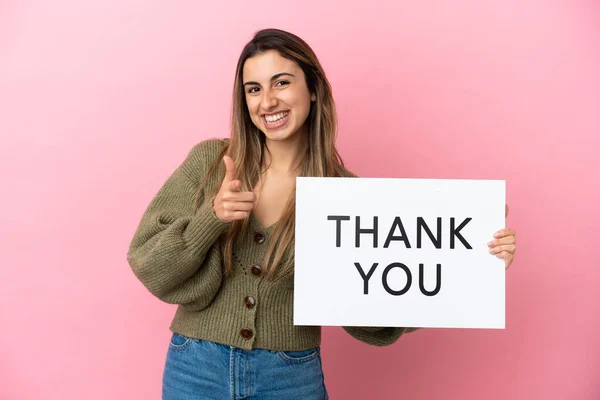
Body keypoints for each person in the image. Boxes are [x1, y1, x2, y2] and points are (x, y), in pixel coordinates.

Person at [126, 28, 517, 400]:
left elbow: (375, 315)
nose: (268, 101)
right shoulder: (211, 162)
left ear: (312, 89)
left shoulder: (346, 195)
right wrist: (211, 218)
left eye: (281, 82)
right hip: (196, 366)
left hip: (290, 375)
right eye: (254, 89)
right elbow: (149, 264)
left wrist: (469, 266)